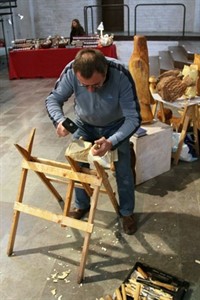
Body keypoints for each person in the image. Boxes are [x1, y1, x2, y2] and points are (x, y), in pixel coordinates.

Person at [45, 48, 141, 235]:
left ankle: (127, 212)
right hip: (84, 123)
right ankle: (82, 204)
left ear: (105, 71)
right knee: (77, 166)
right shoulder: (71, 70)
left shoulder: (121, 74)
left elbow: (134, 118)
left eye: (96, 85)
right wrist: (60, 120)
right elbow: (53, 99)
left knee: (123, 170)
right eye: (83, 85)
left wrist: (112, 142)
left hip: (115, 124)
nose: (90, 90)